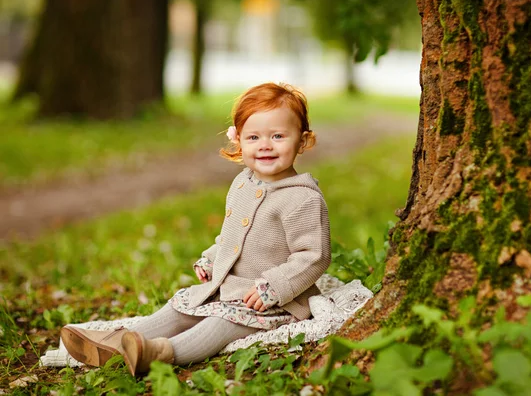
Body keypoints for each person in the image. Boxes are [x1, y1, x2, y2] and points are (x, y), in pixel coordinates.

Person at [60, 82, 331, 376]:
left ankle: (159, 353)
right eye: (254, 137)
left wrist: (274, 287)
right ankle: (121, 341)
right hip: (227, 288)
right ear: (239, 140)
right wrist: (213, 257)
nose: (265, 145)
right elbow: (232, 237)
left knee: (218, 325)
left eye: (278, 136)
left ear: (302, 141)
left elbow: (313, 256)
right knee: (180, 308)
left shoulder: (301, 197)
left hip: (270, 301)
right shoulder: (243, 183)